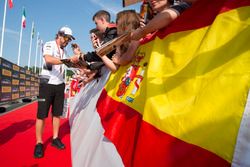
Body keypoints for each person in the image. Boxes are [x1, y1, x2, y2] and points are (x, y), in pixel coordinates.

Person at [34, 26, 75, 158]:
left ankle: (55, 138)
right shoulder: (49, 44)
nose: (67, 42)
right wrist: (66, 61)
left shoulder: (64, 51)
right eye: (67, 39)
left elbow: (70, 64)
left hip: (60, 85)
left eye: (69, 40)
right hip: (46, 84)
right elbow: (48, 59)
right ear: (60, 35)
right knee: (41, 115)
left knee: (57, 114)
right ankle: (39, 143)